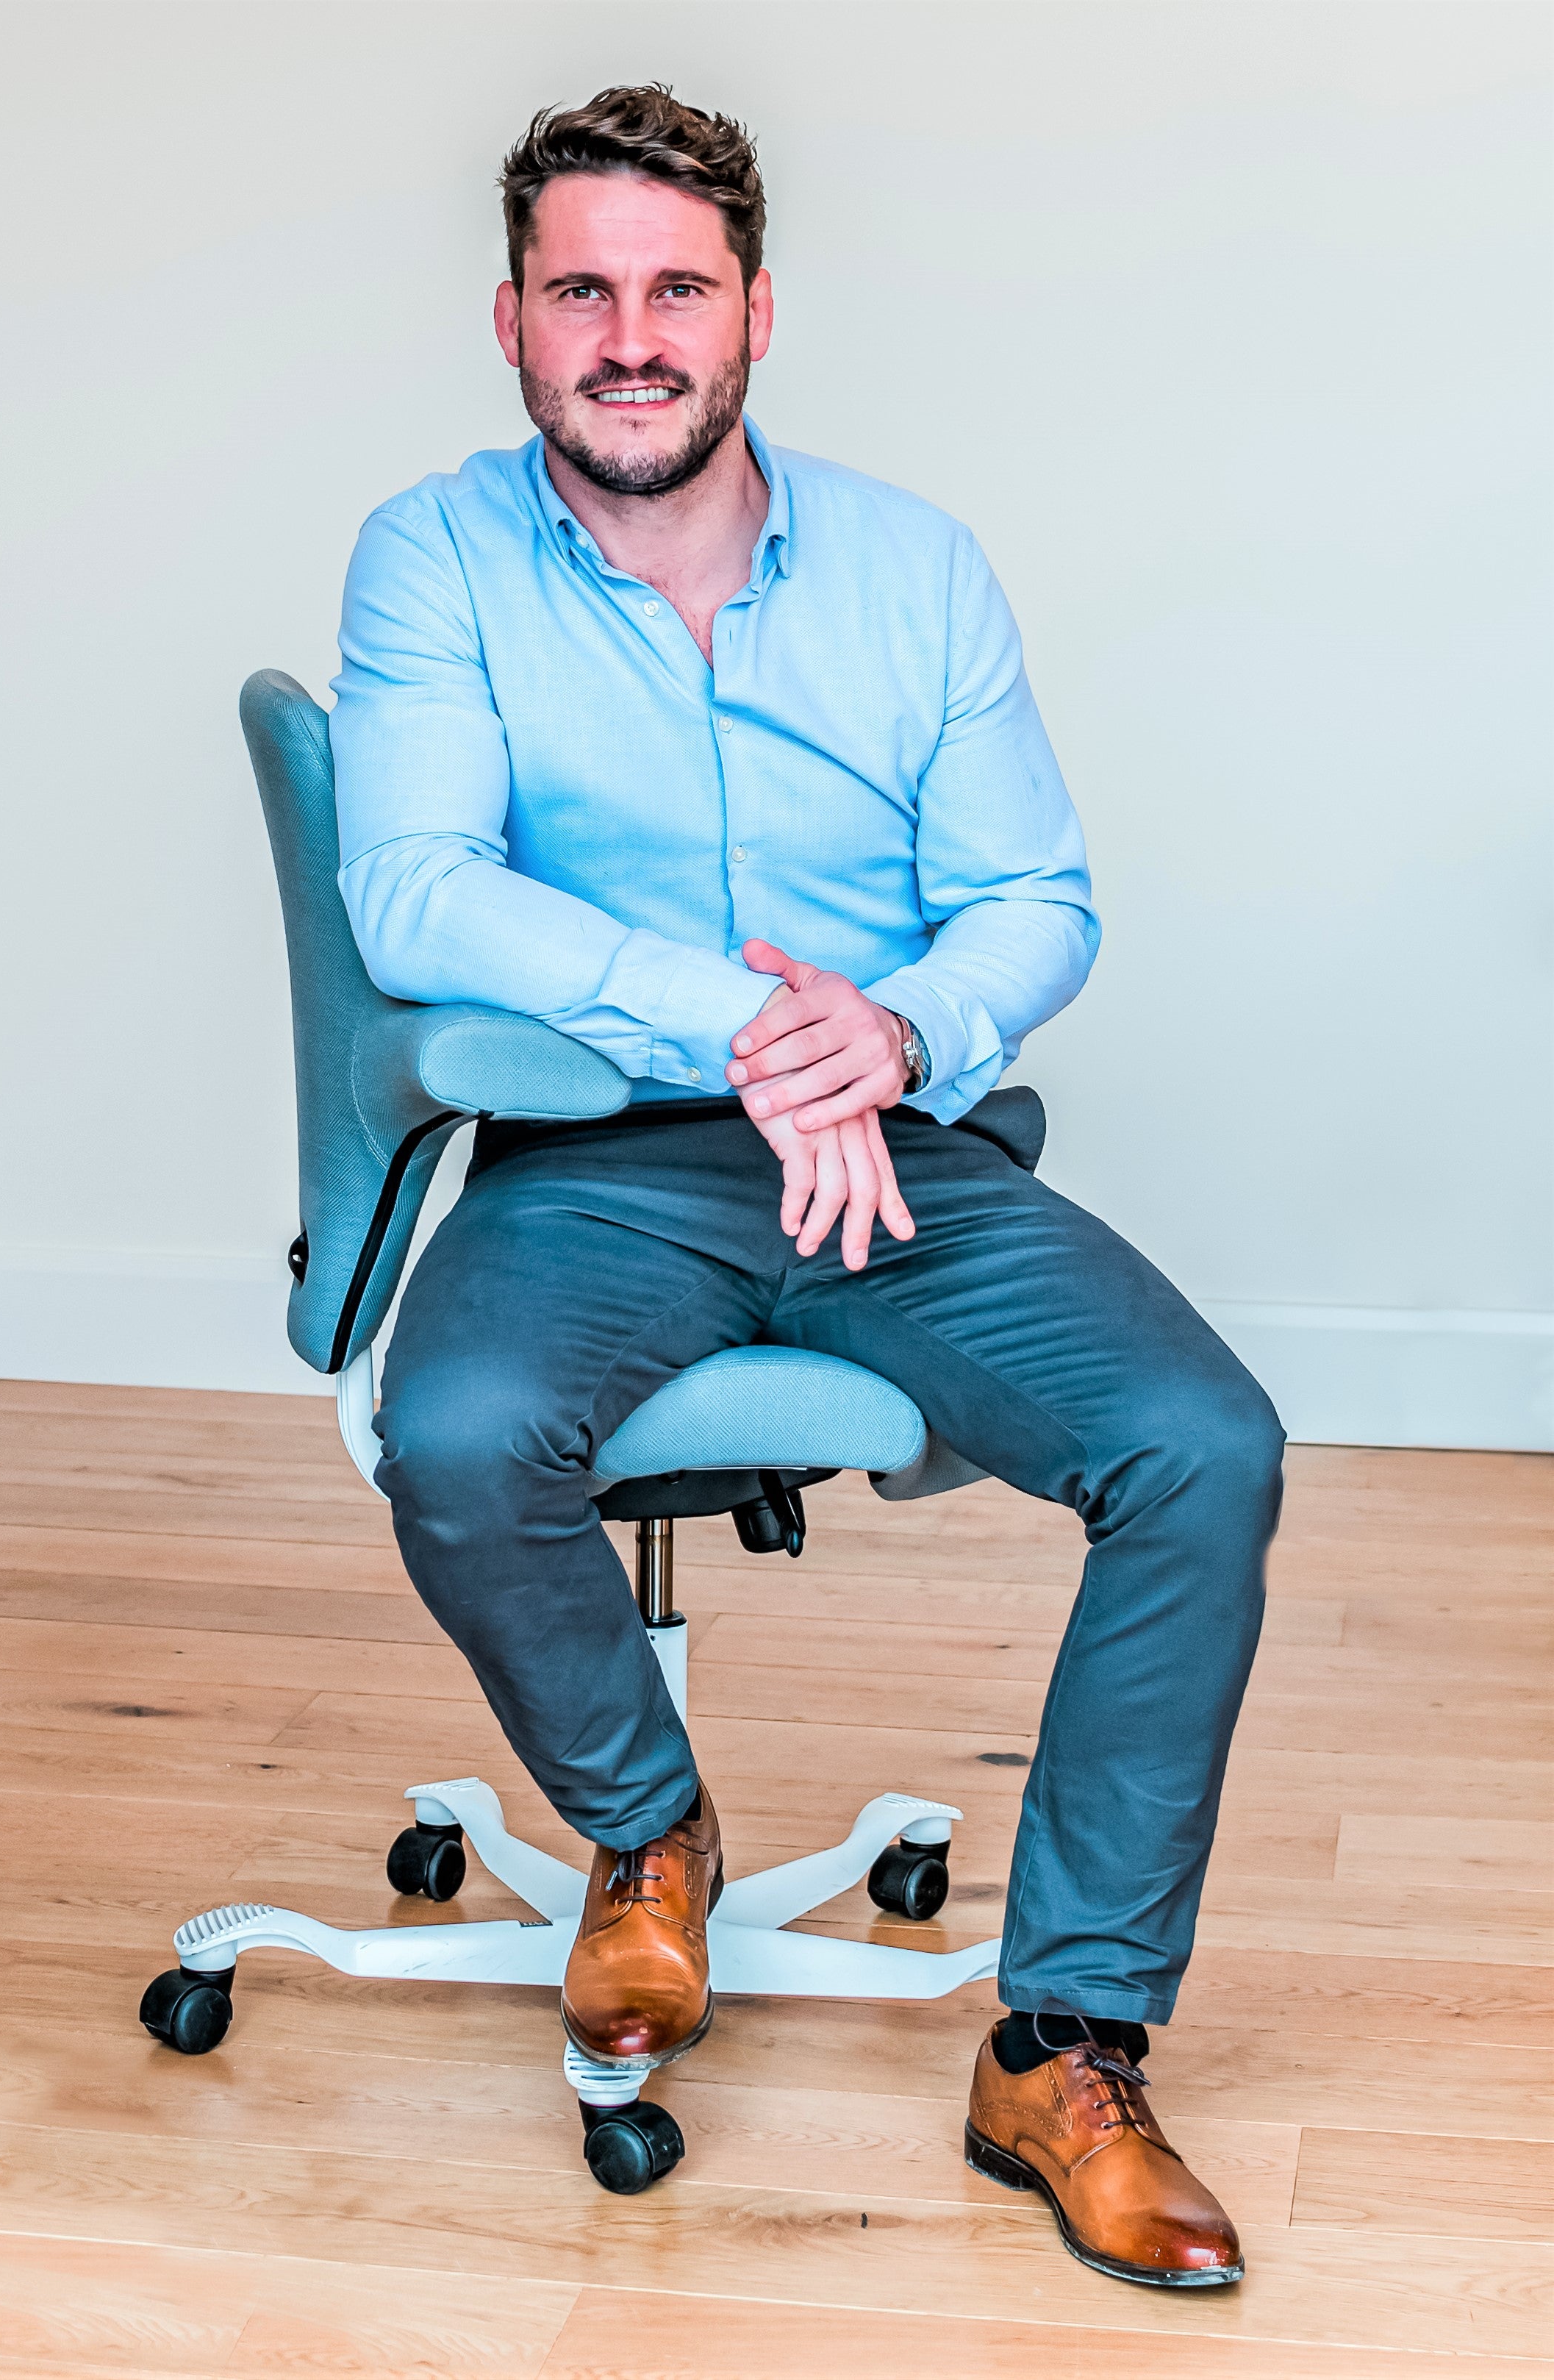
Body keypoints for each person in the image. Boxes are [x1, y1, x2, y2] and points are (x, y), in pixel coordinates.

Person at [329, 84, 1284, 2290]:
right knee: (456, 1437)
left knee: (1204, 1445)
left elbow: (1036, 899)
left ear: (759, 311)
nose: (630, 333)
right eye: (584, 290)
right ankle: (645, 1830)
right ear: (510, 319)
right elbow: (415, 895)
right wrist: (739, 1026)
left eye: (677, 288)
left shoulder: (917, 566)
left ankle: (1063, 2041)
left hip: (893, 1146)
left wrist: (902, 1033)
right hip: (600, 1157)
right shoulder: (434, 555)